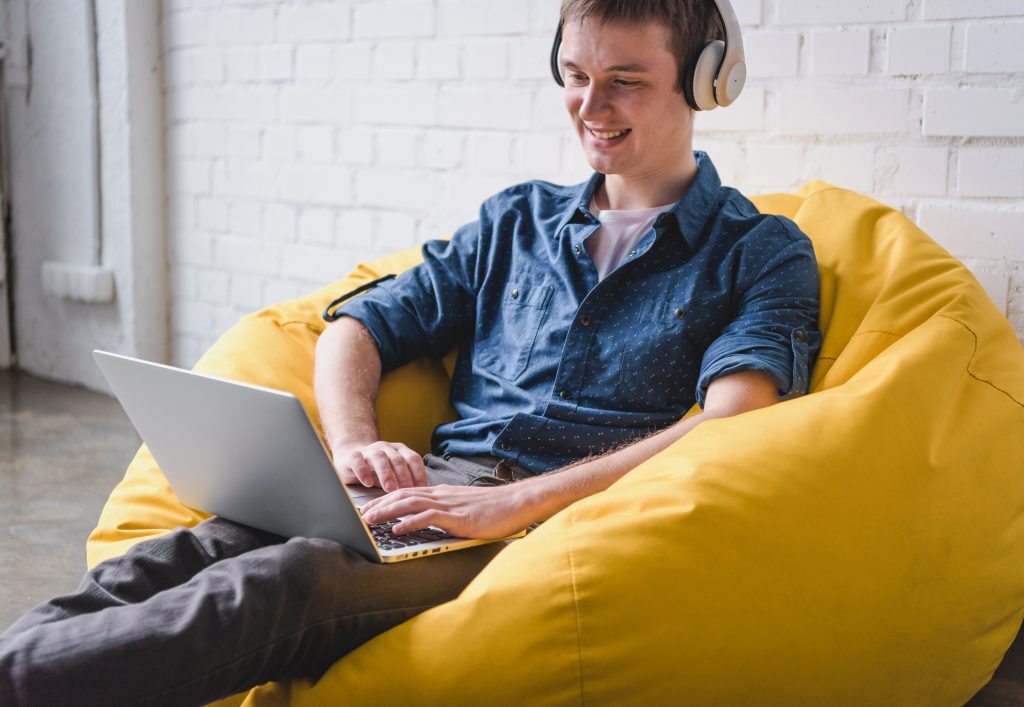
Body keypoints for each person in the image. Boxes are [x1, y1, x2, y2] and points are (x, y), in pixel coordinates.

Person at [0, 1, 823, 705]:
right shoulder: (516, 221)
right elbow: (358, 326)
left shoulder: (759, 250)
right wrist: (356, 446)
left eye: (626, 81)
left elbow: (737, 418)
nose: (588, 105)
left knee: (283, 585)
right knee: (182, 552)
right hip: (427, 495)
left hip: (546, 533)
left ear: (709, 81)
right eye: (573, 74)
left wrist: (516, 503)